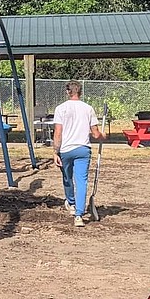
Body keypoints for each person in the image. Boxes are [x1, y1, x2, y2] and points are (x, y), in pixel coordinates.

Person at [51, 81, 105, 228]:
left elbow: (58, 132)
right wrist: (103, 136)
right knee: (81, 181)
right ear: (80, 92)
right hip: (83, 149)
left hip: (66, 149)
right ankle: (79, 215)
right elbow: (95, 133)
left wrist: (55, 152)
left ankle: (72, 204)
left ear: (68, 92)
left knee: (67, 178)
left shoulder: (60, 108)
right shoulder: (88, 109)